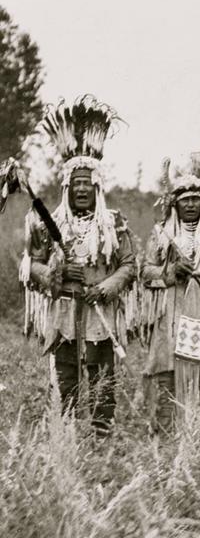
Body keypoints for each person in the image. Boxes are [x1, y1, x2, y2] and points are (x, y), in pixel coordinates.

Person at [20, 96, 138, 434]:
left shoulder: (115, 224)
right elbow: (31, 266)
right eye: (77, 183)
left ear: (97, 187)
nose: (82, 188)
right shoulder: (49, 224)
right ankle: (68, 427)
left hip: (100, 311)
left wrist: (105, 287)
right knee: (67, 370)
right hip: (65, 312)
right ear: (67, 188)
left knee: (103, 370)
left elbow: (128, 265)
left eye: (88, 182)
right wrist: (57, 274)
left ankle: (102, 429)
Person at [140, 156, 200, 432]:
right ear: (175, 203)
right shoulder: (161, 235)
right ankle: (166, 429)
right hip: (170, 314)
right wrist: (170, 271)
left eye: (196, 199)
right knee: (168, 370)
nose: (191, 205)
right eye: (185, 200)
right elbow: (146, 271)